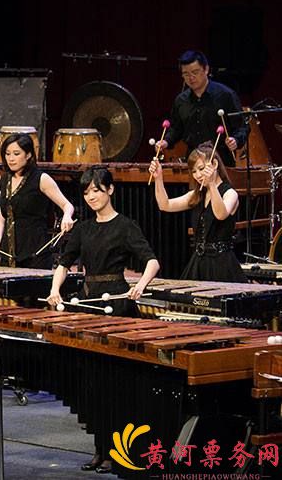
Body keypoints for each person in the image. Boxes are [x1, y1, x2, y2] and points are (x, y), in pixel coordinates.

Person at [46, 167, 160, 475]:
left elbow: (151, 261)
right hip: (88, 307)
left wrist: (140, 285)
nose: (91, 196)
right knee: (91, 384)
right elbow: (64, 263)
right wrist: (55, 290)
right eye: (86, 192)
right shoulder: (83, 229)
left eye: (97, 190)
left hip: (117, 308)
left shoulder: (125, 226)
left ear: (110, 190)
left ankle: (115, 451)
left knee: (114, 385)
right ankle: (99, 449)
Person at [149, 143, 247, 282]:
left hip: (222, 264)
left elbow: (220, 214)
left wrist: (212, 184)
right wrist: (158, 178)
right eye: (194, 171)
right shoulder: (197, 195)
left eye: (201, 169)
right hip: (199, 263)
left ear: (214, 164)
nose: (198, 175)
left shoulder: (230, 193)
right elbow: (165, 205)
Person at [0, 133, 75, 269]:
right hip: (9, 251)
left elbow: (67, 205)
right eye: (7, 154)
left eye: (16, 154)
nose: (11, 158)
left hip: (35, 252)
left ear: (28, 155)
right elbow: (3, 212)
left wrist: (67, 216)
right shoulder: (3, 179)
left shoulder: (41, 179)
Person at [156, 50, 249, 167]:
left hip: (221, 161)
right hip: (194, 163)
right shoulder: (181, 100)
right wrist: (166, 141)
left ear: (206, 69)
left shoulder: (226, 95)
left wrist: (236, 140)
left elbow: (242, 127)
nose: (191, 78)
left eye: (195, 72)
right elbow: (176, 129)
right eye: (186, 74)